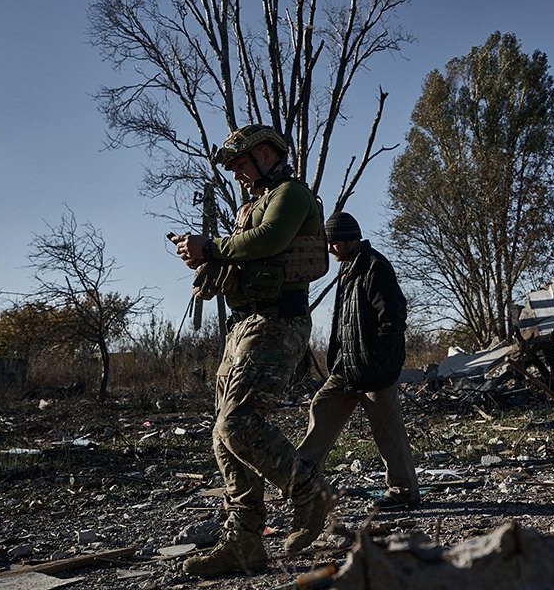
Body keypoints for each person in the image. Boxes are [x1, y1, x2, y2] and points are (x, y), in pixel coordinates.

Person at [172, 124, 334, 577]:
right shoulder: (252, 205)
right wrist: (206, 259)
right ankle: (244, 543)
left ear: (267, 154)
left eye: (242, 163)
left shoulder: (292, 194)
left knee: (239, 422)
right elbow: (247, 250)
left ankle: (308, 491)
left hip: (277, 322)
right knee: (223, 436)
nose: (239, 174)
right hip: (245, 323)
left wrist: (212, 246)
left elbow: (269, 241)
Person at [296, 211, 420, 510]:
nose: (329, 249)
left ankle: (404, 492)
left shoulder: (375, 267)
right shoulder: (350, 268)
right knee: (321, 409)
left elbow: (393, 317)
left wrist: (380, 360)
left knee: (388, 432)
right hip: (347, 369)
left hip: (374, 369)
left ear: (348, 239)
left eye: (333, 243)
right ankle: (299, 481)